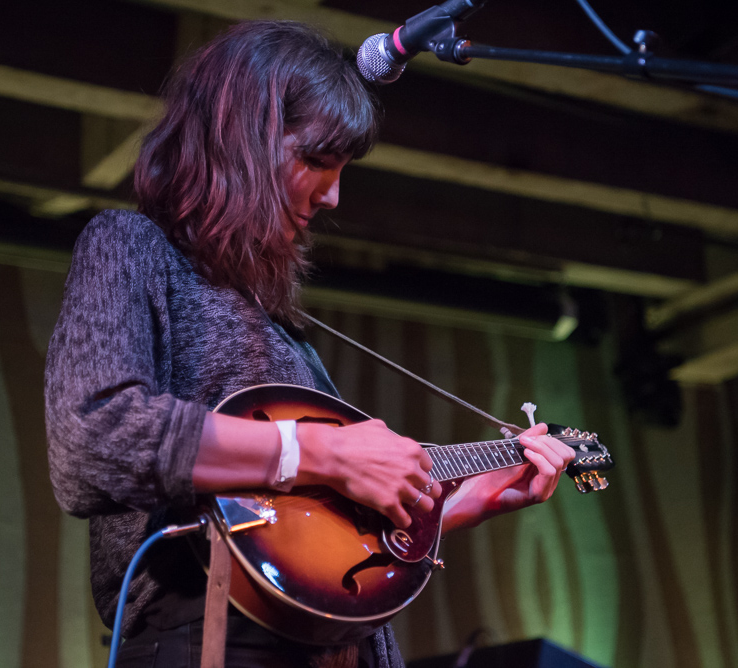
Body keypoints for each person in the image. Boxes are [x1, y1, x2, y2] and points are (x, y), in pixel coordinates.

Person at [44, 20, 575, 668]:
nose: (333, 195)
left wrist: (464, 501)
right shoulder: (132, 248)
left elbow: (312, 538)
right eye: (318, 160)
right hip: (211, 640)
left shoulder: (282, 330)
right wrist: (318, 450)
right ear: (240, 140)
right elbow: (90, 438)